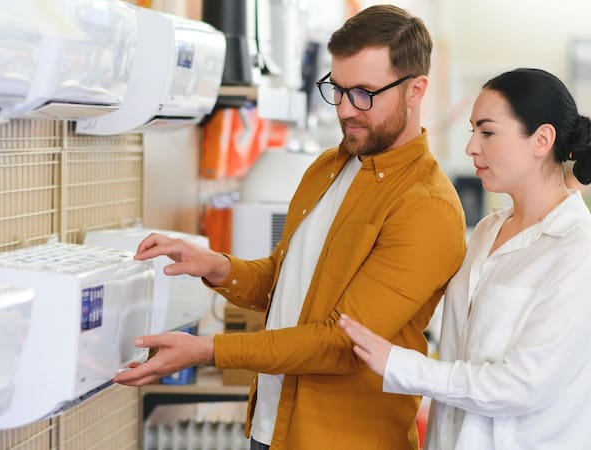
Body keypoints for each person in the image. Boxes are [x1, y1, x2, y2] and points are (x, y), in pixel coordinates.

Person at [114, 5, 467, 449]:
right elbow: (289, 286)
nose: (345, 109)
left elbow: (339, 344)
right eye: (336, 89)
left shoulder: (427, 207)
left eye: (363, 93)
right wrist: (217, 266)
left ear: (416, 90)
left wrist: (210, 350)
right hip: (272, 427)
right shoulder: (328, 167)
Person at [339, 67, 591, 449]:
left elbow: (521, 386)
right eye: (472, 131)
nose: (472, 147)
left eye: (487, 132)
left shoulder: (576, 251)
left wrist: (402, 366)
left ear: (542, 139)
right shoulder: (487, 231)